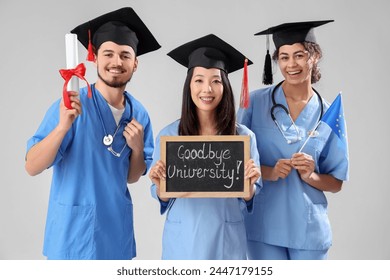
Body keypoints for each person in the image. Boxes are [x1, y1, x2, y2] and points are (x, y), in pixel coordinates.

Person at [24, 7, 161, 259]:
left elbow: (131, 177)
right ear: (95, 58)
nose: (116, 62)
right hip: (71, 234)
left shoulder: (139, 113)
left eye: (125, 55)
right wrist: (63, 126)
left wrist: (138, 148)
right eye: (108, 53)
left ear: (135, 63)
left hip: (115, 233)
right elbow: (31, 165)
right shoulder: (72, 104)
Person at [237, 20, 349, 260]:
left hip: (308, 229)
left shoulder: (328, 115)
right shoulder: (254, 104)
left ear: (314, 56)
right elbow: (233, 163)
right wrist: (269, 172)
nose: (291, 64)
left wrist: (311, 176)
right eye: (284, 57)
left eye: (299, 55)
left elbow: (336, 182)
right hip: (262, 226)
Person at [149, 34, 262, 260]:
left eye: (216, 81)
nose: (207, 89)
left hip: (225, 236)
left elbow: (251, 193)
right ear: (189, 85)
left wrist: (250, 188)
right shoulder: (169, 135)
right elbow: (160, 193)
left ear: (225, 86)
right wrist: (159, 185)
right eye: (199, 80)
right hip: (183, 238)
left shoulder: (243, 137)